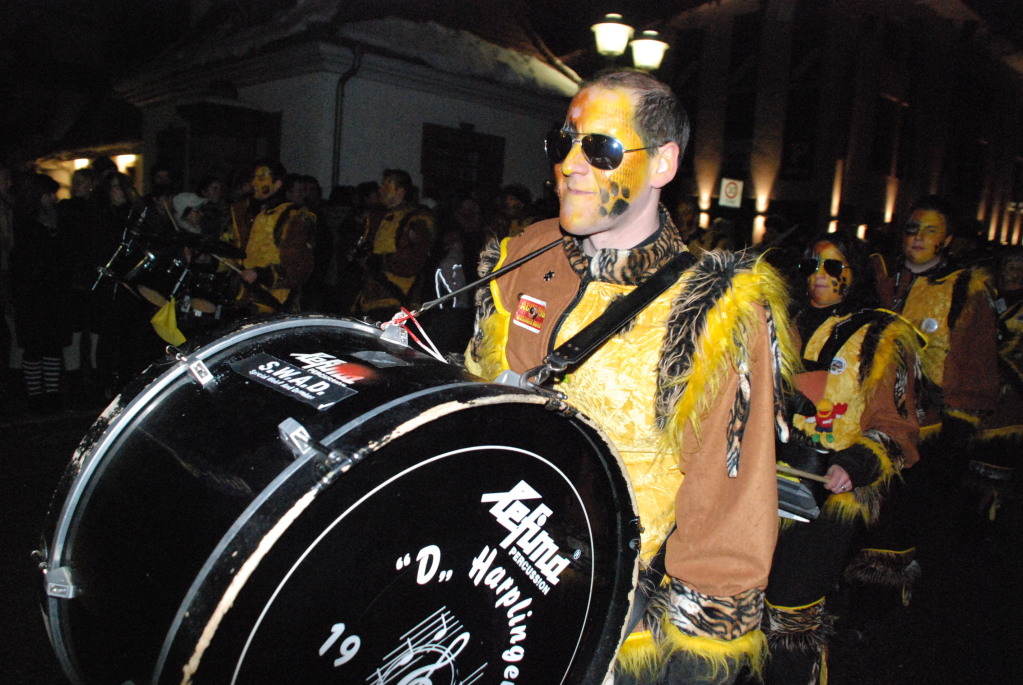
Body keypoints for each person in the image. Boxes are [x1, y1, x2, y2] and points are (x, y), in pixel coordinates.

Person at [464, 69, 799, 684]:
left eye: (601, 147)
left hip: (606, 614)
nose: (569, 163)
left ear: (664, 163)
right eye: (563, 141)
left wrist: (694, 660)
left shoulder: (718, 312)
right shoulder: (522, 255)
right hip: (482, 571)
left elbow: (729, 507)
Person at [763, 231, 920, 683]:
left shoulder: (883, 336)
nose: (818, 277)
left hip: (826, 494)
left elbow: (897, 427)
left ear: (857, 271)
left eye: (833, 267)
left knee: (792, 612)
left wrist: (855, 464)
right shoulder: (779, 322)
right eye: (811, 265)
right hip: (759, 483)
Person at [9, 173, 73, 412]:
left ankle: (53, 394)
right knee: (34, 346)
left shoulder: (58, 220)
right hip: (32, 294)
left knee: (53, 345)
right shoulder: (24, 222)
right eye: (48, 195)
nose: (52, 200)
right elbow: (24, 260)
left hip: (54, 292)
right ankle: (36, 396)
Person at [227, 159, 316, 314]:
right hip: (244, 299)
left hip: (276, 304)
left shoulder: (294, 217)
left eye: (261, 179)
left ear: (277, 184)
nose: (254, 182)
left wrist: (261, 274)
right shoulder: (249, 214)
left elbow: (298, 268)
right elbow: (233, 250)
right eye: (253, 177)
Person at [352, 168, 435, 320]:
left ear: (400, 191)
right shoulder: (377, 217)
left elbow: (415, 259)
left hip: (399, 298)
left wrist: (380, 261)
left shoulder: (415, 221)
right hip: (370, 297)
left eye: (386, 185)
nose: (380, 189)